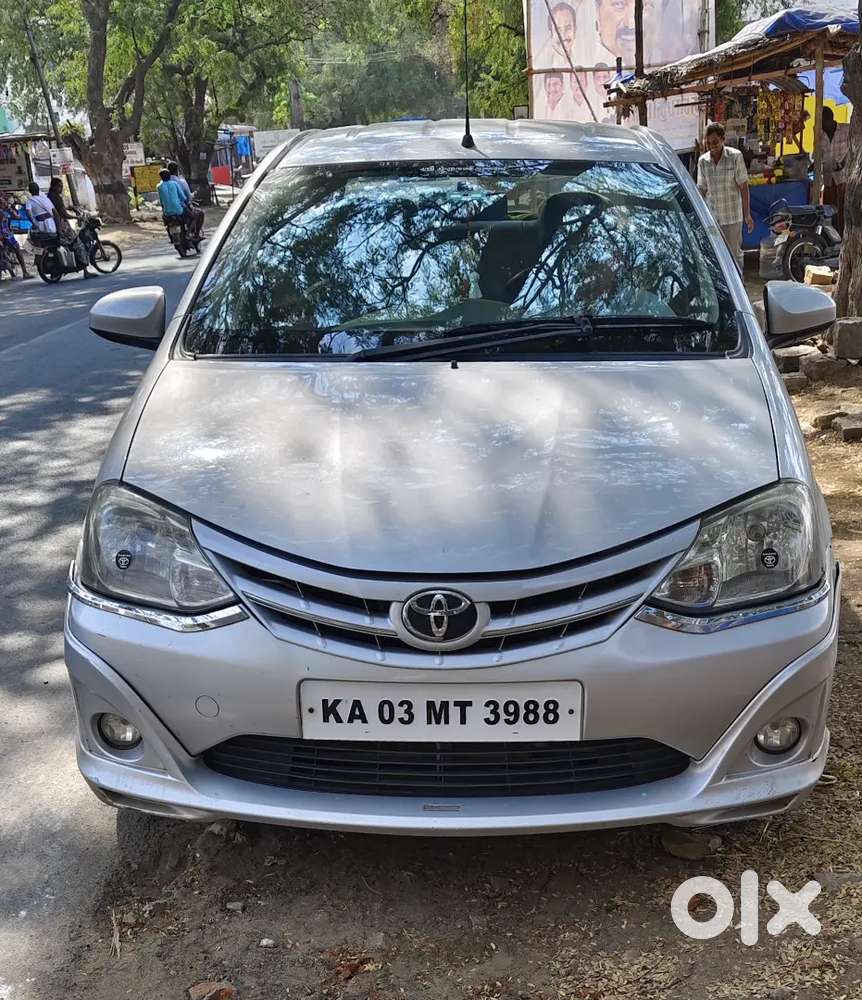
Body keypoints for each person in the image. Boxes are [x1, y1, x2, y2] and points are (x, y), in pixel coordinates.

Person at [697, 122, 753, 272]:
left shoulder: (735, 157)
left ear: (723, 139)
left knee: (735, 254)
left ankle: (739, 286)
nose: (712, 146)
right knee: (715, 256)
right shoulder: (703, 162)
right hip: (713, 218)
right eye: (708, 143)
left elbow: (743, 186)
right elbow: (702, 189)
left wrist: (747, 214)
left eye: (715, 142)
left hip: (732, 217)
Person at [48, 176, 92, 278]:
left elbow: (60, 209)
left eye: (61, 186)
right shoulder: (56, 197)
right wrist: (76, 217)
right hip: (62, 226)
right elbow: (63, 214)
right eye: (59, 186)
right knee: (79, 244)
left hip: (55, 225)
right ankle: (85, 271)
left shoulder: (49, 196)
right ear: (54, 187)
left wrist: (70, 207)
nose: (61, 188)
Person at [821, 106, 849, 232]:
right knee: (829, 209)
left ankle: (844, 234)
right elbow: (818, 154)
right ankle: (832, 235)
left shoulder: (846, 129)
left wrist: (845, 161)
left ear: (830, 119)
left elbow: (856, 147)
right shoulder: (819, 134)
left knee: (844, 208)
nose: (820, 124)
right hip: (828, 178)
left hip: (844, 176)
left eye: (822, 122)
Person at [168, 160, 204, 240]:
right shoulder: (180, 182)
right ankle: (193, 235)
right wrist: (192, 195)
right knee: (197, 214)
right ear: (177, 170)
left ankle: (172, 237)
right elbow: (186, 197)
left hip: (167, 212)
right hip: (180, 208)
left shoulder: (163, 184)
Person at [0, 194, 33, 278]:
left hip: (6, 233)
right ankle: (24, 272)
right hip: (5, 234)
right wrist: (9, 208)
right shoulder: (2, 212)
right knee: (17, 249)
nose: (5, 204)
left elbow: (16, 217)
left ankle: (12, 272)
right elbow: (16, 216)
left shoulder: (3, 211)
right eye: (3, 203)